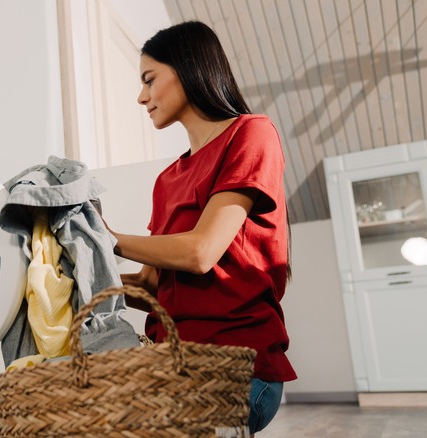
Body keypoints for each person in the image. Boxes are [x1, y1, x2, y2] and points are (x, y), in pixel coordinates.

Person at [106, 21, 297, 436]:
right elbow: (153, 287)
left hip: (235, 369)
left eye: (149, 79)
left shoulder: (251, 134)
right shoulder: (167, 179)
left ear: (188, 67)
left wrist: (110, 240)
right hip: (174, 366)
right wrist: (85, 280)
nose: (142, 97)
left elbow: (201, 252)